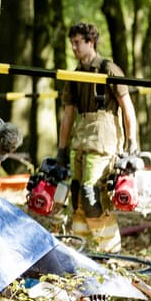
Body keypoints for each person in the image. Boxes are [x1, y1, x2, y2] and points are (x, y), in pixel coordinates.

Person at [56, 21, 139, 253]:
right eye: (71, 43)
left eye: (77, 43)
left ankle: (109, 253)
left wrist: (132, 144)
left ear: (90, 42)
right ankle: (82, 251)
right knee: (77, 197)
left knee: (92, 193)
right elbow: (68, 114)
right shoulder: (74, 76)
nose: (73, 47)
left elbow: (127, 107)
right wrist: (61, 150)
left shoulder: (109, 69)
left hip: (104, 141)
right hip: (80, 140)